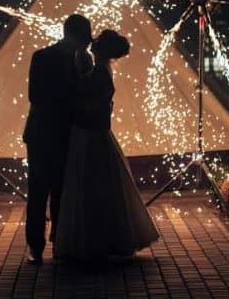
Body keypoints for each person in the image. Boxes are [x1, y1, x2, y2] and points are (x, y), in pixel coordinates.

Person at [55, 29, 159, 263]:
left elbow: (91, 104)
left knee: (92, 186)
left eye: (97, 40)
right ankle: (105, 239)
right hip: (93, 133)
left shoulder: (99, 72)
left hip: (90, 134)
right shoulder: (99, 69)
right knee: (101, 187)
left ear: (102, 48)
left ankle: (96, 240)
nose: (92, 41)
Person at [23, 14, 93, 264]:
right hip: (43, 133)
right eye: (85, 38)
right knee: (39, 190)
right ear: (72, 35)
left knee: (63, 190)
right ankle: (35, 245)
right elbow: (35, 95)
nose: (87, 44)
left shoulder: (84, 59)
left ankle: (59, 240)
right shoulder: (42, 57)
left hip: (67, 132)